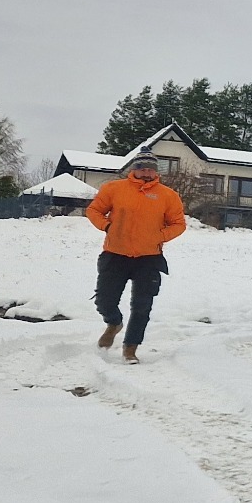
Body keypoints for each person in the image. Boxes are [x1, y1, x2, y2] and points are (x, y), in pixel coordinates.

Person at [85, 155, 186, 363]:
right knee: (104, 300)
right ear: (134, 169)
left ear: (156, 171)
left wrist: (159, 236)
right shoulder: (114, 188)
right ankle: (114, 323)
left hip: (148, 258)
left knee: (142, 306)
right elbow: (94, 210)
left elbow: (178, 224)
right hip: (115, 254)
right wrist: (107, 226)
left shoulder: (168, 195)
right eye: (142, 168)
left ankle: (130, 348)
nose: (146, 172)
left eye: (151, 169)